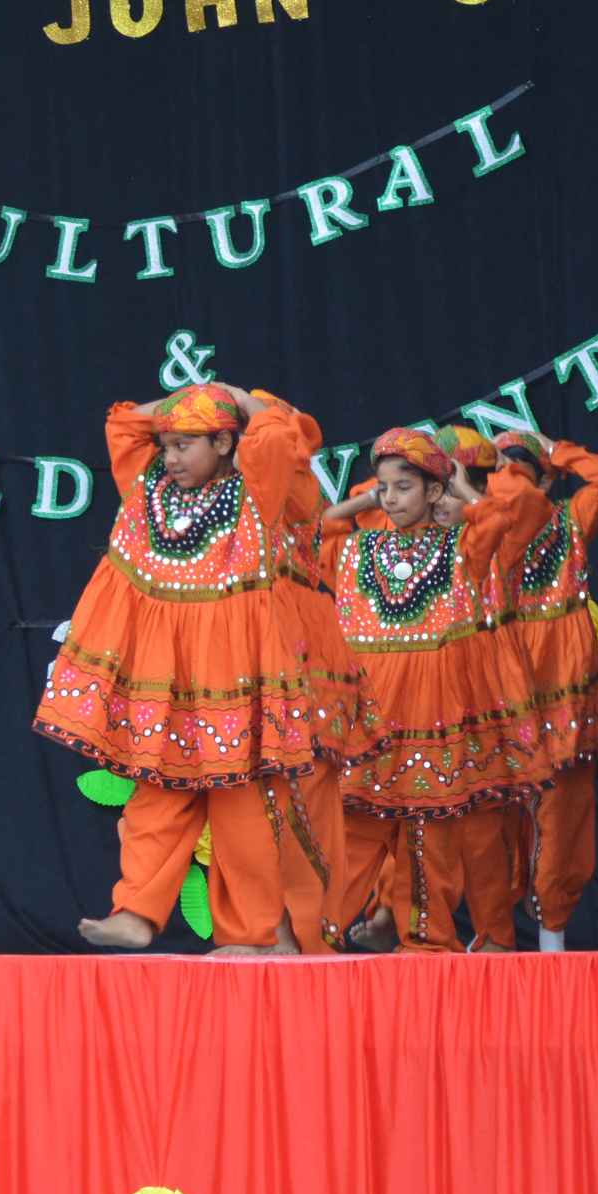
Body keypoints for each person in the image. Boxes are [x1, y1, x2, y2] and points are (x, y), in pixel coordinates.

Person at [34, 382, 321, 955]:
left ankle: (254, 936)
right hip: (165, 683)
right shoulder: (147, 488)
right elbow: (123, 425)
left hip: (236, 680)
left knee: (242, 810)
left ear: (224, 443)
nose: (169, 457)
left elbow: (277, 437)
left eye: (184, 445)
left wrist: (237, 399)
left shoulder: (257, 495)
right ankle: (137, 912)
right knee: (156, 795)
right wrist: (188, 400)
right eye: (165, 445)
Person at [324, 431, 548, 951]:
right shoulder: (360, 548)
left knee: (429, 834)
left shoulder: (461, 550)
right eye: (385, 488)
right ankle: (319, 935)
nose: (391, 498)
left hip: (433, 714)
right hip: (371, 716)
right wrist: (368, 498)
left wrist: (460, 487)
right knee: (351, 830)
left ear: (432, 492)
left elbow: (501, 519)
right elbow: (323, 526)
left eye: (403, 487)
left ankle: (425, 944)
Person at [492, 430, 598, 951]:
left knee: (564, 805)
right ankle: (497, 925)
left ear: (544, 482)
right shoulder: (483, 526)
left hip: (564, 680)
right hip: (509, 677)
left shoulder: (570, 520)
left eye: (519, 473)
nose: (508, 485)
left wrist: (555, 450)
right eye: (497, 475)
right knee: (502, 807)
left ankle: (553, 930)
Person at [252, 392, 372, 954]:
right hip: (259, 633)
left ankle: (298, 933)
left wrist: (243, 406)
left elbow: (276, 441)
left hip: (289, 638)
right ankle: (275, 931)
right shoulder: (258, 480)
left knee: (296, 790)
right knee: (255, 794)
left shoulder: (284, 475)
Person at [431, 424, 530, 953]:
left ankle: (495, 933)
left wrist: (466, 489)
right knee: (412, 813)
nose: (445, 501)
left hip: (486, 693)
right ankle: (413, 928)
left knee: (485, 821)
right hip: (421, 695)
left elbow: (507, 514)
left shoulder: (495, 535)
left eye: (456, 488)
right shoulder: (401, 539)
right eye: (438, 488)